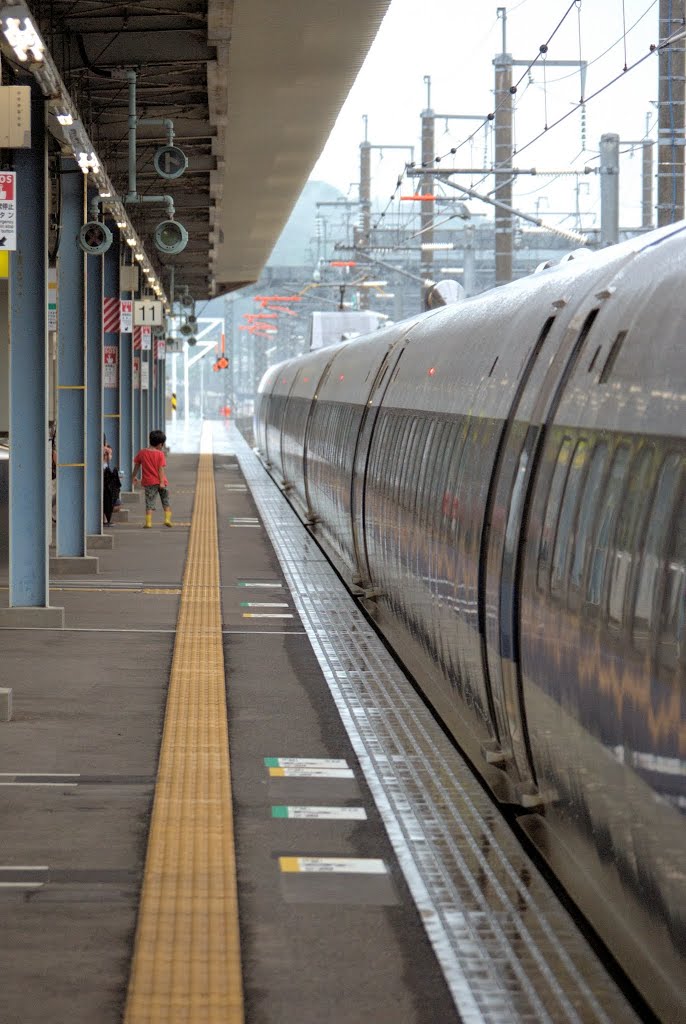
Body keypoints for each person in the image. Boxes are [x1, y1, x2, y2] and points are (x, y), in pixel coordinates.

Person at [132, 429, 172, 529]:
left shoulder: (142, 452)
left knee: (149, 502)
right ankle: (167, 519)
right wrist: (162, 482)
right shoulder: (160, 454)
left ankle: (148, 522)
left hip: (149, 483)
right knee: (165, 501)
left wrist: (133, 477)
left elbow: (136, 466)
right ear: (159, 444)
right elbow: (161, 469)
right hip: (161, 481)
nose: (162, 447)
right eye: (162, 444)